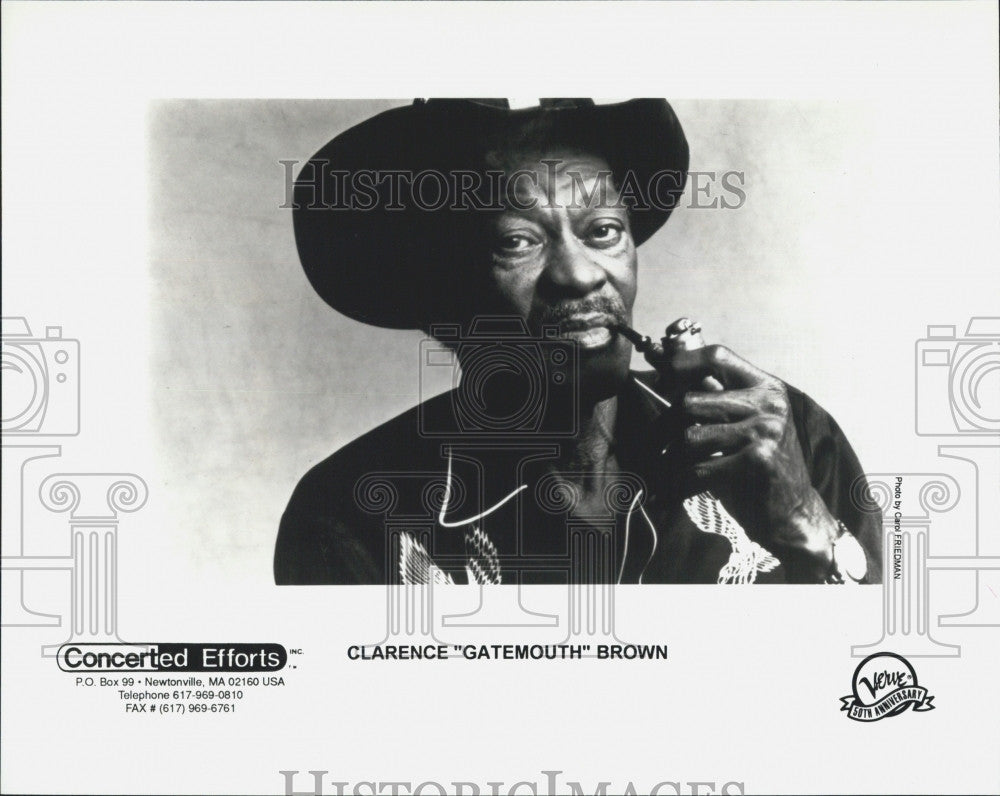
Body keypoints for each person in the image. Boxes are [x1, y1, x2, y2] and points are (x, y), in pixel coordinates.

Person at [275, 99, 882, 586]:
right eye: (517, 241)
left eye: (603, 230)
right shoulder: (350, 518)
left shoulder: (783, 435)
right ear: (440, 297)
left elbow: (887, 693)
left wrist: (807, 527)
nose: (581, 273)